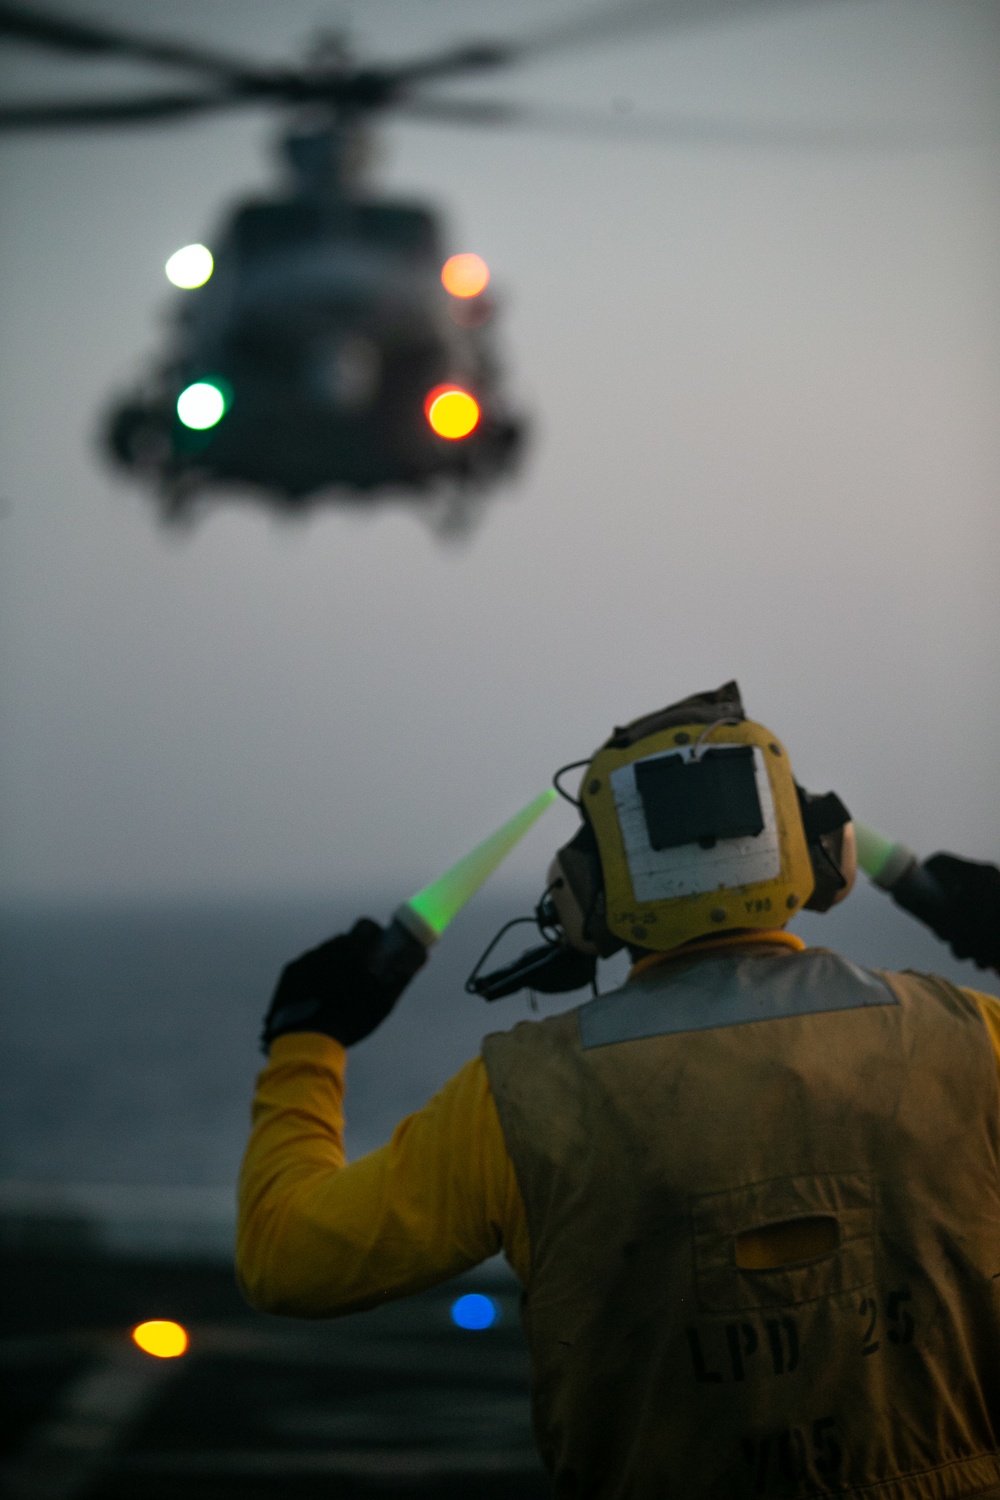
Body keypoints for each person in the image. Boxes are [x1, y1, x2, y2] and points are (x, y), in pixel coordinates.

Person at [237, 682, 1000, 1498]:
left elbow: (289, 1257)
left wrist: (307, 1043)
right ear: (823, 854)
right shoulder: (971, 1038)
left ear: (583, 894)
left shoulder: (520, 1098)